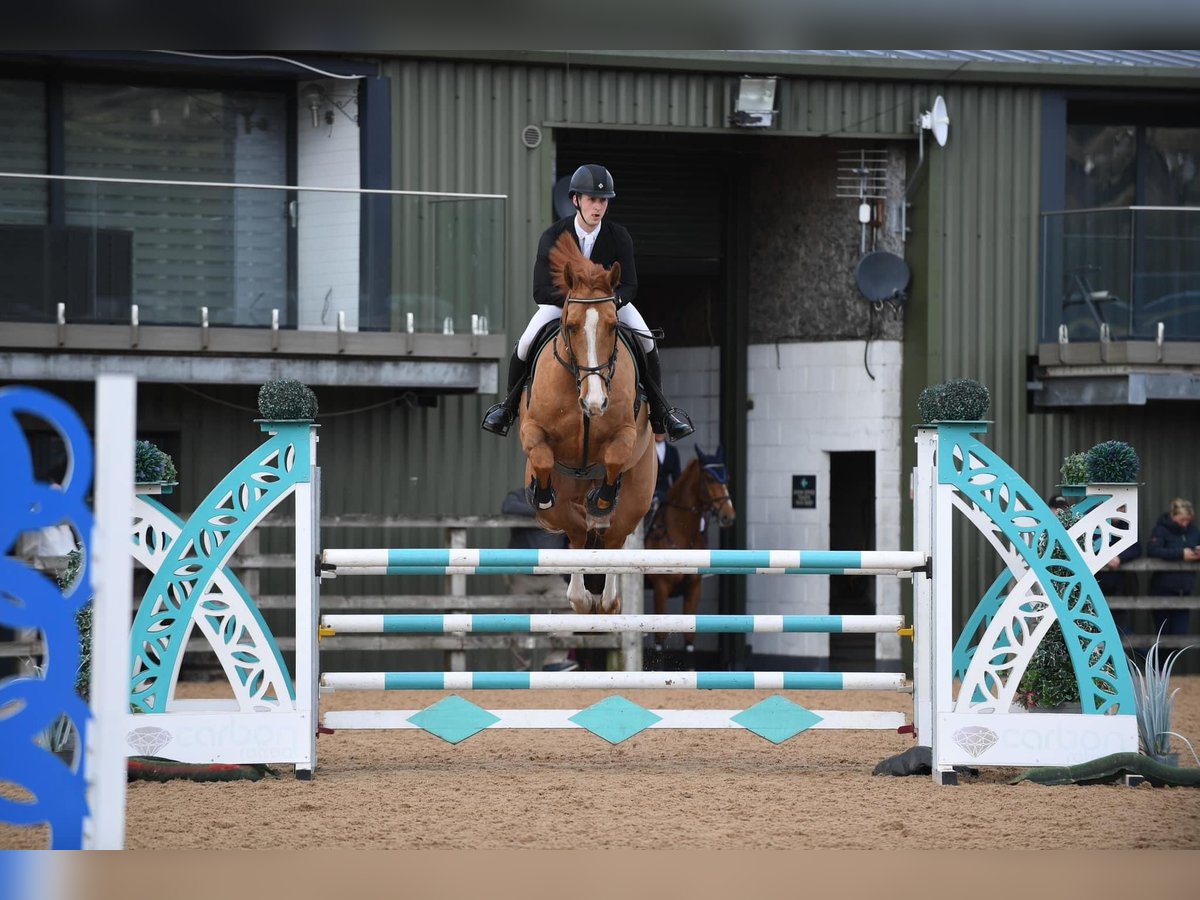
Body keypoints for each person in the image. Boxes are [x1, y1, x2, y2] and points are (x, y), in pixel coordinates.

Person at [482, 164, 694, 443]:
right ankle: (508, 409)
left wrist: (609, 302)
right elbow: (540, 290)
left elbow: (630, 284)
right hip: (562, 305)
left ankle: (660, 413)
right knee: (525, 342)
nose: (598, 207)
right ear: (576, 200)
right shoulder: (554, 236)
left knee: (647, 342)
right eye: (592, 199)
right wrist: (579, 301)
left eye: (603, 200)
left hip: (608, 305)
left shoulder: (619, 236)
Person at [500, 486, 577, 672]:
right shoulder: (520, 495)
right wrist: (546, 512)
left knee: (569, 608)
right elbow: (508, 507)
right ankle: (521, 669)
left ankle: (554, 660)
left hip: (553, 574)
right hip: (522, 573)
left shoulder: (563, 498)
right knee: (518, 622)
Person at [1146, 497, 1200, 636]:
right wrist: (1181, 553)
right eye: (1182, 520)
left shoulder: (1193, 531)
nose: (1185, 524)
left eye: (1188, 520)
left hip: (1184, 592)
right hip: (1162, 591)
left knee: (1179, 634)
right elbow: (1153, 550)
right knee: (1163, 636)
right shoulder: (1161, 530)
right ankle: (1154, 658)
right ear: (1173, 515)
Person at [645, 432, 681, 531]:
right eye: (657, 431)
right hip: (648, 494)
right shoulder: (646, 450)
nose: (660, 433)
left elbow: (677, 477)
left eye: (662, 431)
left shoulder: (672, 451)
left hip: (666, 494)